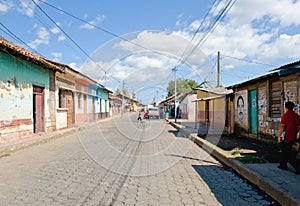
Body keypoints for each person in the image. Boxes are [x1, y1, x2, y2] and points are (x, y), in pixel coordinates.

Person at [277, 101, 300, 174]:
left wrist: (279, 136)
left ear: (286, 107)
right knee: (285, 151)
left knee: (287, 153)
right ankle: (283, 165)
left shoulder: (285, 115)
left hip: (286, 137)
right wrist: (295, 132)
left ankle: (297, 167)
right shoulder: (297, 116)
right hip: (293, 136)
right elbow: (299, 127)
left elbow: (282, 126)